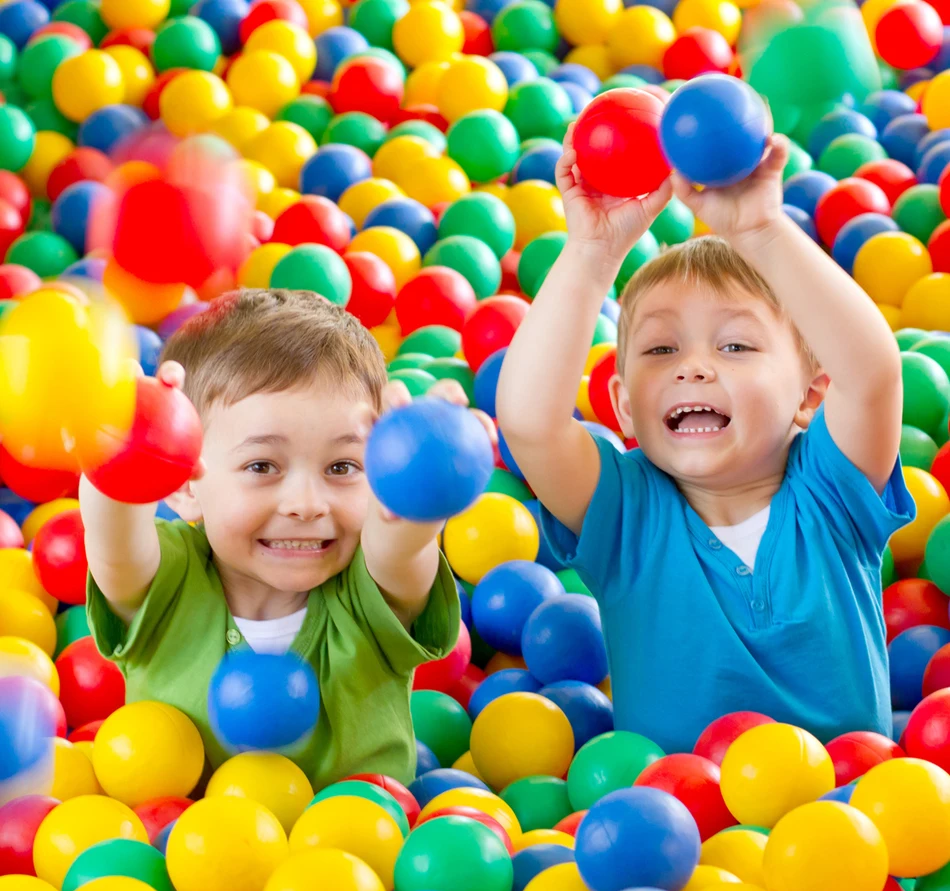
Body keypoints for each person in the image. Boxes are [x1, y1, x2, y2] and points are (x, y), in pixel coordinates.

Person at [496, 129, 914, 754]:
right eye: (661, 349)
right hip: (672, 812)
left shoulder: (831, 492)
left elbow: (873, 373)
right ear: (624, 406)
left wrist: (763, 230)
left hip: (850, 803)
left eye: (735, 346)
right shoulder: (627, 514)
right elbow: (529, 423)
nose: (693, 368)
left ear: (811, 394)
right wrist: (591, 253)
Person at [81, 288, 468, 789]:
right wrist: (118, 441)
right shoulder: (168, 584)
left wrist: (416, 490)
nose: (306, 503)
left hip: (357, 836)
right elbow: (113, 539)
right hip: (176, 838)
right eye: (262, 466)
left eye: (342, 467)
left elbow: (402, 547)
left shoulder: (370, 594)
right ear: (184, 485)